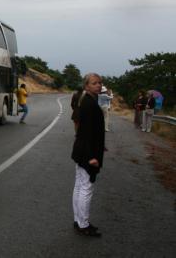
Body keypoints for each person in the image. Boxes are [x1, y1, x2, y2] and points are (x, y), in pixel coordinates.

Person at [71, 73, 105, 237]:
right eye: (94, 83)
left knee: (79, 186)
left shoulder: (87, 101)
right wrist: (92, 156)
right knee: (86, 188)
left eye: (99, 83)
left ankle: (78, 220)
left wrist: (100, 146)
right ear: (86, 86)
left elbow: (89, 131)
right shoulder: (90, 104)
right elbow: (86, 133)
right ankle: (83, 225)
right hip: (87, 154)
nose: (98, 85)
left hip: (81, 150)